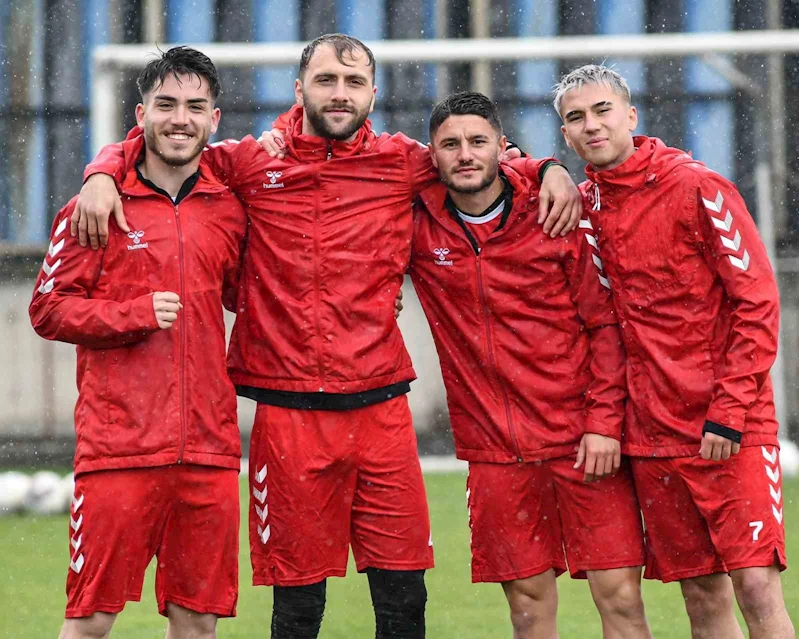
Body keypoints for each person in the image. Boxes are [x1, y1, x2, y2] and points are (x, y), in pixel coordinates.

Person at [74, 34, 582, 638]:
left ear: (373, 93)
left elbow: (474, 156)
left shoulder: (401, 162)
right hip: (288, 414)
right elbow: (170, 144)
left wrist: (547, 167)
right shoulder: (249, 163)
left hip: (381, 410)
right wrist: (102, 170)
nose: (340, 94)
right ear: (299, 89)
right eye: (326, 81)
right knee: (297, 606)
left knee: (403, 599)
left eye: (353, 82)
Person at [554, 64, 794, 639]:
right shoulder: (582, 209)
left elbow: (757, 302)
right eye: (576, 118)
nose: (592, 125)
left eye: (603, 110)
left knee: (757, 587)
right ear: (565, 134)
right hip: (653, 438)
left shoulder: (698, 187)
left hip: (730, 427)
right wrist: (543, 170)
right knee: (701, 596)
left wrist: (729, 410)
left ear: (631, 115)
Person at [407, 91, 651, 639]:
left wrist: (603, 424)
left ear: (502, 148)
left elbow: (606, 326)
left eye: (478, 141)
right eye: (450, 144)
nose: (465, 154)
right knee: (527, 608)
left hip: (582, 442)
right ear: (432, 154)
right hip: (496, 452)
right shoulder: (419, 225)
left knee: (620, 598)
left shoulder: (553, 215)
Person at [28, 47, 246, 639]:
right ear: (141, 114)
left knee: (197, 625)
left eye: (195, 107)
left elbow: (253, 296)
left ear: (214, 119)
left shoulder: (229, 209)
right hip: (118, 450)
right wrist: (134, 315)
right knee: (92, 622)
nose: (180, 119)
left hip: (208, 450)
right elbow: (47, 309)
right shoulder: (93, 208)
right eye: (166, 105)